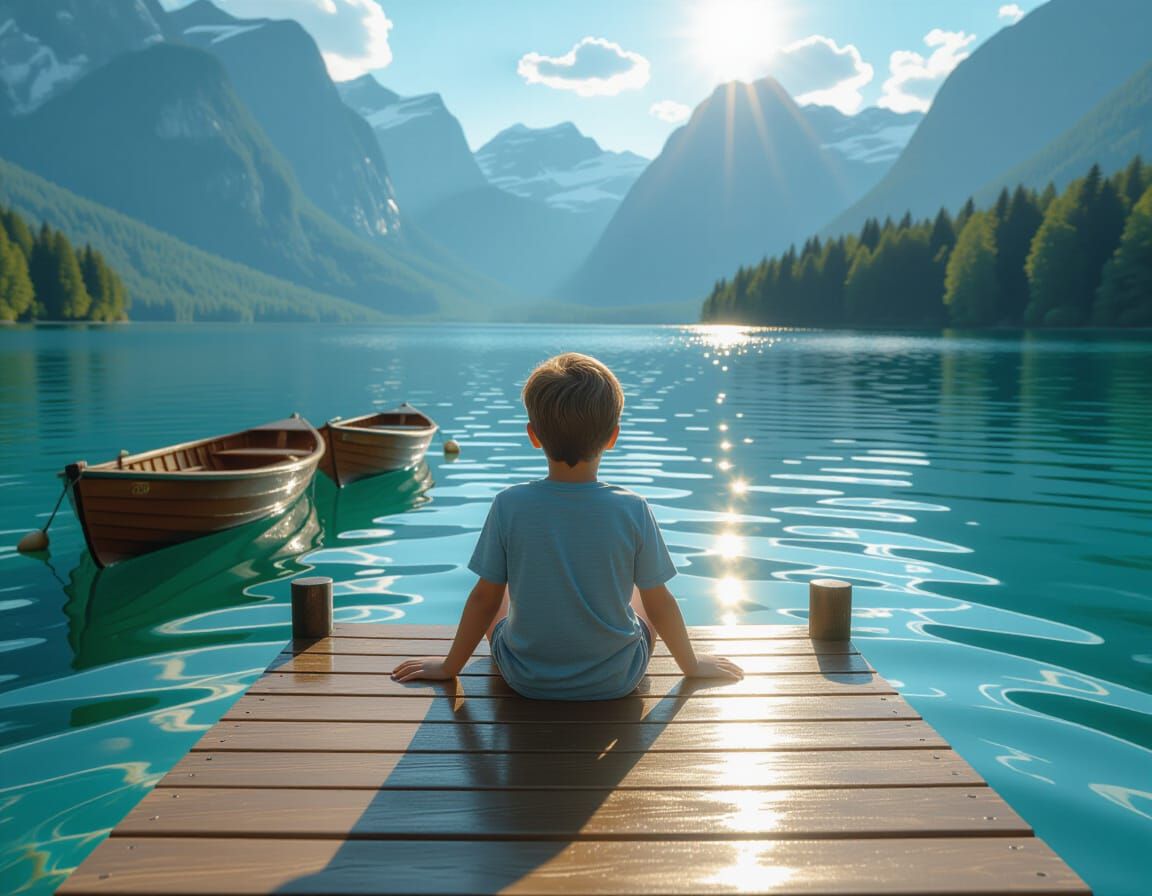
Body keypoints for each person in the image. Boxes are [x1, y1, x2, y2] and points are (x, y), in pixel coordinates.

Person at [391, 352, 744, 698]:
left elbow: (484, 600)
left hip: (525, 676)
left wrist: (449, 667)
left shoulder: (509, 504)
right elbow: (661, 605)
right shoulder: (633, 508)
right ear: (613, 437)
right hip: (616, 678)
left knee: (497, 593)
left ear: (533, 435)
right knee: (644, 593)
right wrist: (691, 665)